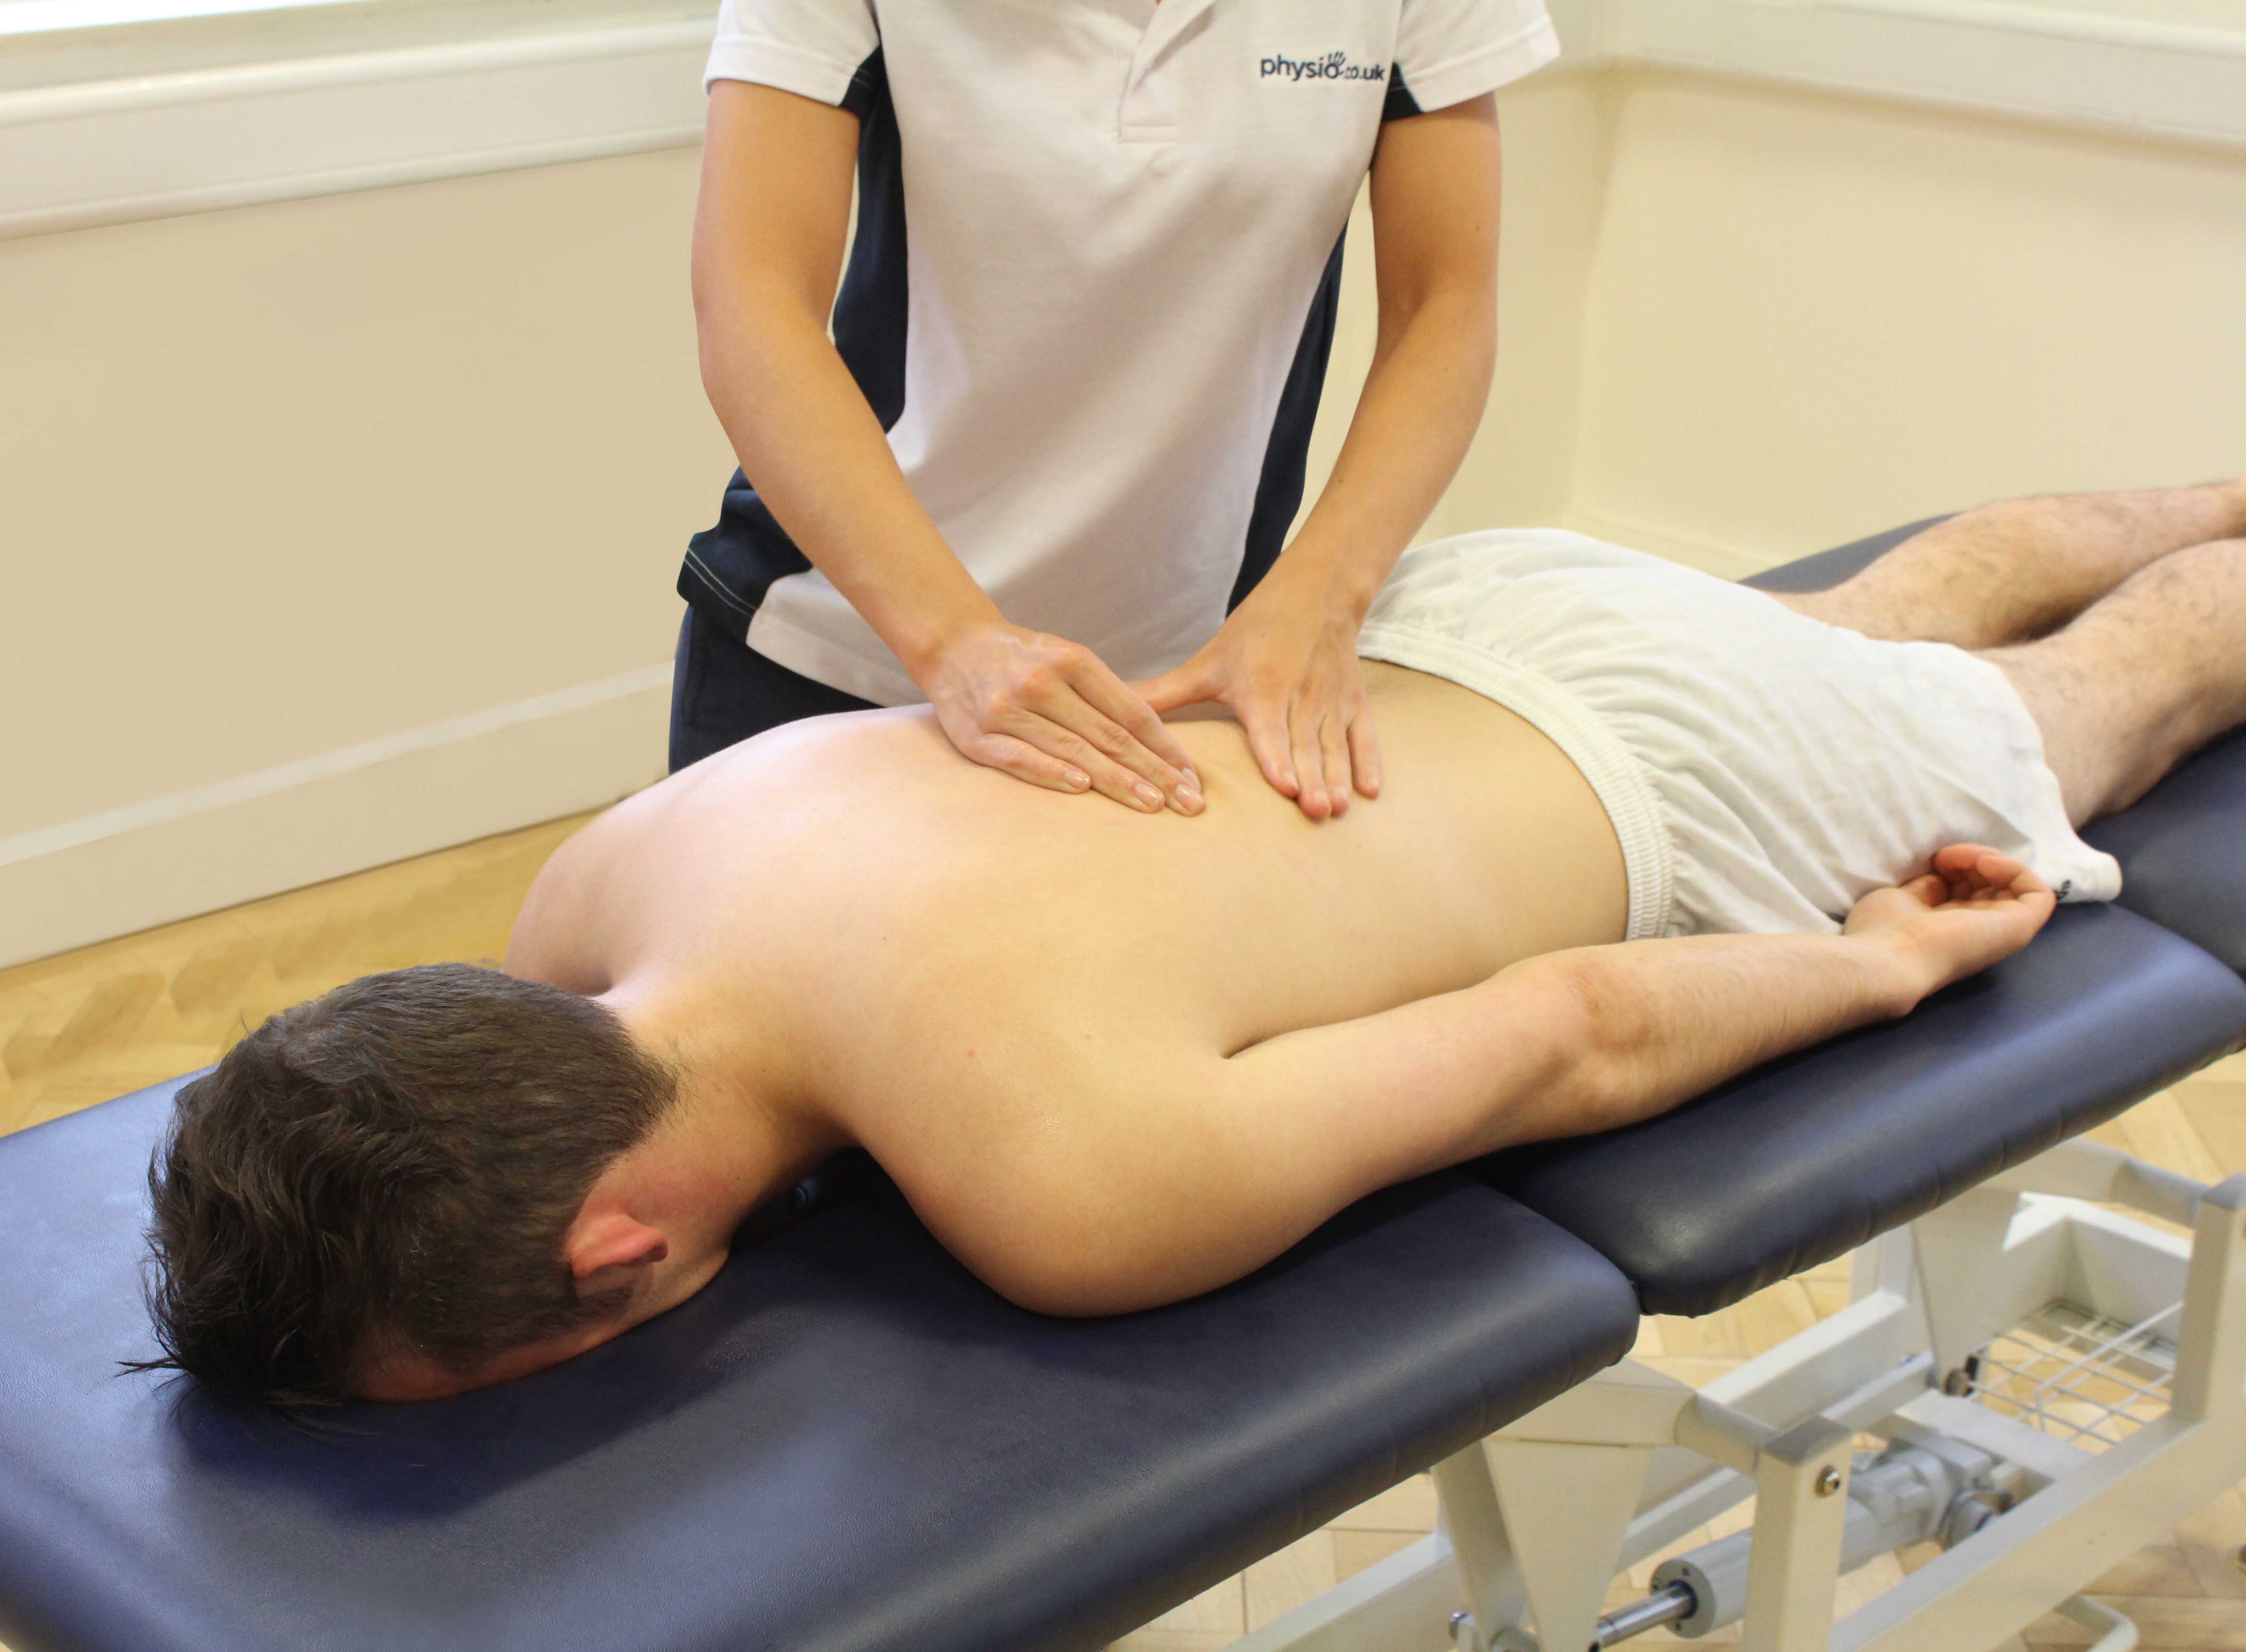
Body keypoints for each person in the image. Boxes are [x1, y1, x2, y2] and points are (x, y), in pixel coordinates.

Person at [140, 482, 2246, 1411]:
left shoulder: (1067, 1185)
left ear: (610, 1259)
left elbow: (1571, 1032)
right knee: (1935, 581)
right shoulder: (608, 878)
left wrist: (1877, 971)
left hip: (1685, 791)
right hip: (1446, 626)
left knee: (2130, 689)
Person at [674, 0, 1556, 820]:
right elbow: (754, 304)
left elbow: (1442, 307)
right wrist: (956, 642)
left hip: (1186, 693)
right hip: (840, 657)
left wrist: (1322, 599)